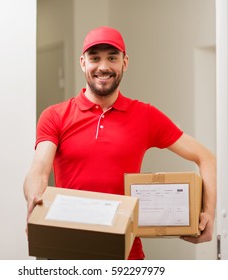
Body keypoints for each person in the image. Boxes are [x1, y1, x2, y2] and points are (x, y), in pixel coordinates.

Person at [24, 26, 216, 259]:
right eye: (95, 58)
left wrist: (208, 213)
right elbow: (39, 170)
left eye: (112, 58)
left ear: (124, 63)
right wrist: (33, 202)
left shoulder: (146, 115)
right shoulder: (55, 115)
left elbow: (206, 157)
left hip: (127, 258)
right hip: (68, 254)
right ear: (82, 62)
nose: (103, 67)